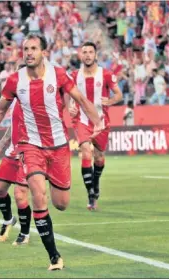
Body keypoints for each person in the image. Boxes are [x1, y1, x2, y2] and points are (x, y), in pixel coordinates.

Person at [0, 33, 103, 271]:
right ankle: (54, 256)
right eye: (25, 48)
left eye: (33, 48)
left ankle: (50, 205)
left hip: (58, 146)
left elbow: (79, 98)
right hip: (30, 146)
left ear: (43, 52)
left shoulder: (58, 74)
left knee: (61, 204)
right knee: (37, 194)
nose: (28, 52)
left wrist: (96, 121)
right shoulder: (14, 80)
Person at [69, 41, 123, 211]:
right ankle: (91, 194)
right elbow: (69, 94)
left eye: (90, 52)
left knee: (99, 157)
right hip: (82, 119)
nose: (87, 55)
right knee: (85, 150)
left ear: (95, 55)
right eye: (84, 52)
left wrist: (111, 100)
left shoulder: (106, 74)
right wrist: (71, 104)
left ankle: (96, 182)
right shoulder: (74, 75)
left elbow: (119, 94)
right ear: (81, 55)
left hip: (101, 121)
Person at [0, 98, 31, 246]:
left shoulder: (39, 98)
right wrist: (0, 145)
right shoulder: (16, 99)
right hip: (12, 153)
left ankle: (24, 233)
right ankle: (8, 219)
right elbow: (13, 126)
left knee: (20, 194)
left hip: (30, 153)